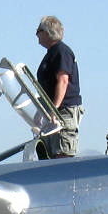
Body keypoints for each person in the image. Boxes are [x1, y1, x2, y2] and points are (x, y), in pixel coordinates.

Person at [34, 16, 82, 159]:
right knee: (51, 155)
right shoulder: (52, 53)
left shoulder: (62, 51)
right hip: (53, 112)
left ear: (48, 32)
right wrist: (42, 110)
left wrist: (54, 109)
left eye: (39, 30)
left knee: (62, 154)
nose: (36, 34)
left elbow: (63, 81)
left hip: (63, 112)